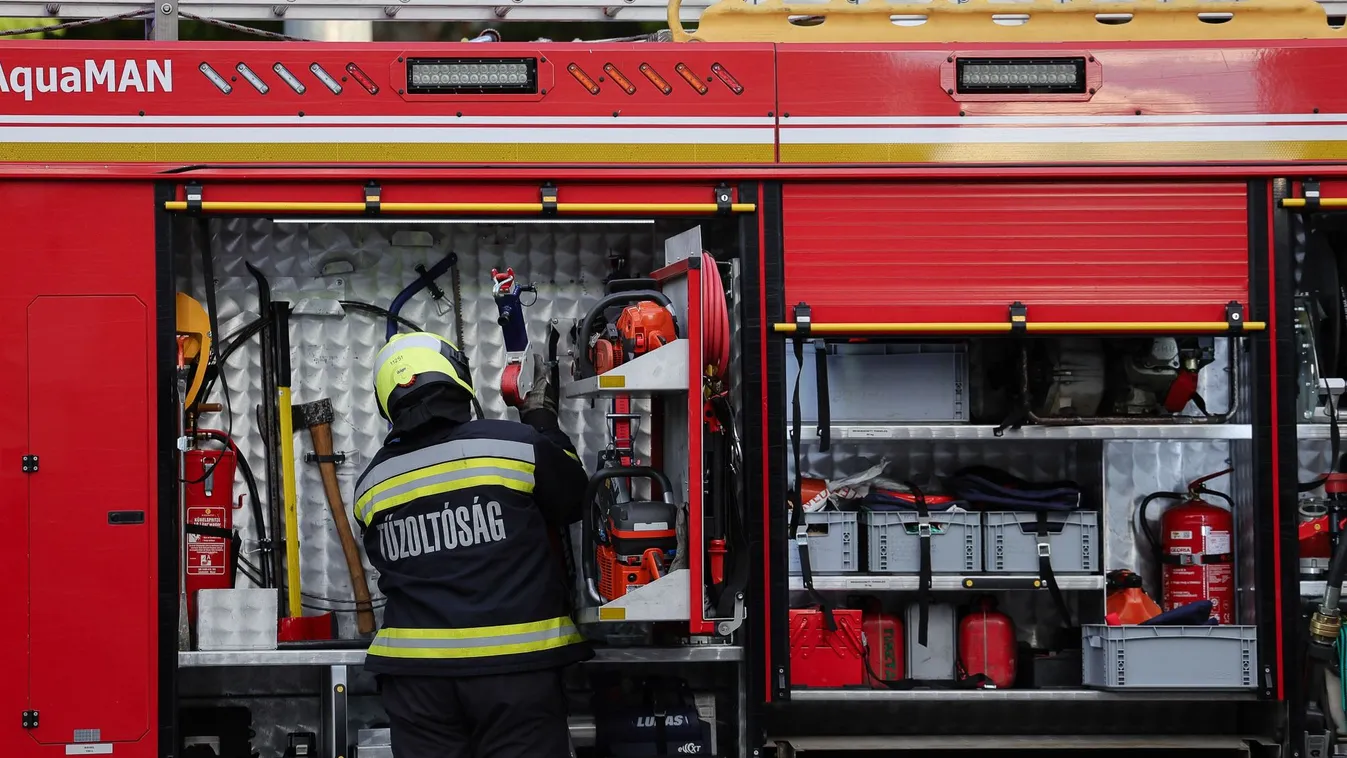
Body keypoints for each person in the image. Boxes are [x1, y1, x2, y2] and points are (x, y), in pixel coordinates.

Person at [353, 331, 592, 758]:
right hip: (516, 674)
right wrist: (540, 419)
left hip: (416, 685)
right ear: (456, 377)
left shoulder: (371, 485)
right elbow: (574, 498)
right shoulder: (515, 447)